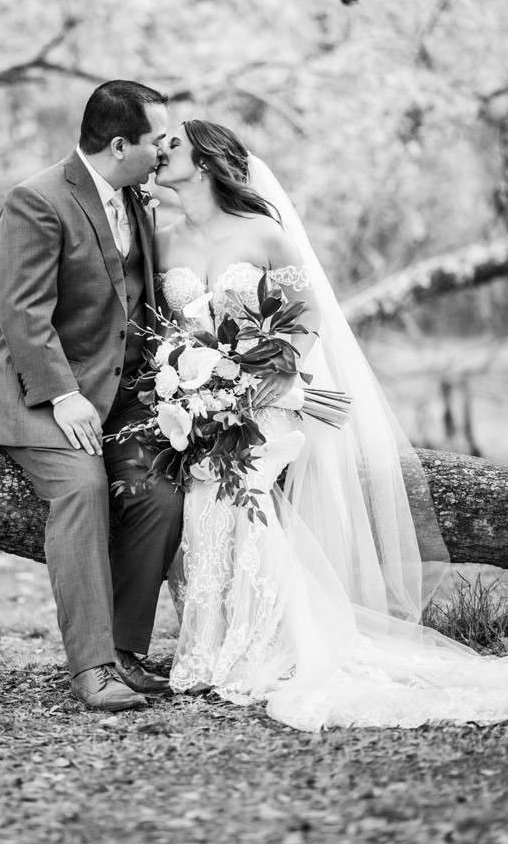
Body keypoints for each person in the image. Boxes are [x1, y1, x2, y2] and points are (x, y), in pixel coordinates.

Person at [153, 119, 508, 731]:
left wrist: (281, 370)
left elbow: (308, 312)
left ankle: (262, 645)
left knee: (248, 507)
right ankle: (208, 647)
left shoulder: (264, 234)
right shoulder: (160, 240)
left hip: (264, 398)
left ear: (207, 162)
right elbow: (164, 328)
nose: (161, 153)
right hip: (197, 402)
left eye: (173, 145)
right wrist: (187, 382)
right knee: (205, 513)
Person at [0, 80, 183, 712]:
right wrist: (62, 396)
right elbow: (22, 316)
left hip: (123, 394)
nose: (166, 149)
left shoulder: (136, 197)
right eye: (157, 139)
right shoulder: (37, 200)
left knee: (161, 495)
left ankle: (127, 651)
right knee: (82, 489)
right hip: (40, 391)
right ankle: (92, 669)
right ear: (119, 143)